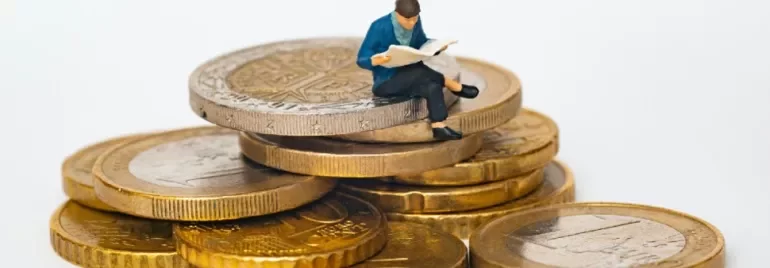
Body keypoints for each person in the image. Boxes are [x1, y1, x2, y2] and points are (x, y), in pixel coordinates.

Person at [356, 0, 479, 141]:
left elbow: (421, 43)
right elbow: (362, 58)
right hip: (387, 81)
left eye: (415, 18)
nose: (412, 23)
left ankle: (438, 126)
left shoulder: (416, 22)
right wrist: (376, 60)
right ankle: (454, 86)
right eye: (407, 19)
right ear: (397, 14)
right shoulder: (379, 26)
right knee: (420, 72)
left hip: (412, 75)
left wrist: (436, 47)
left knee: (432, 86)